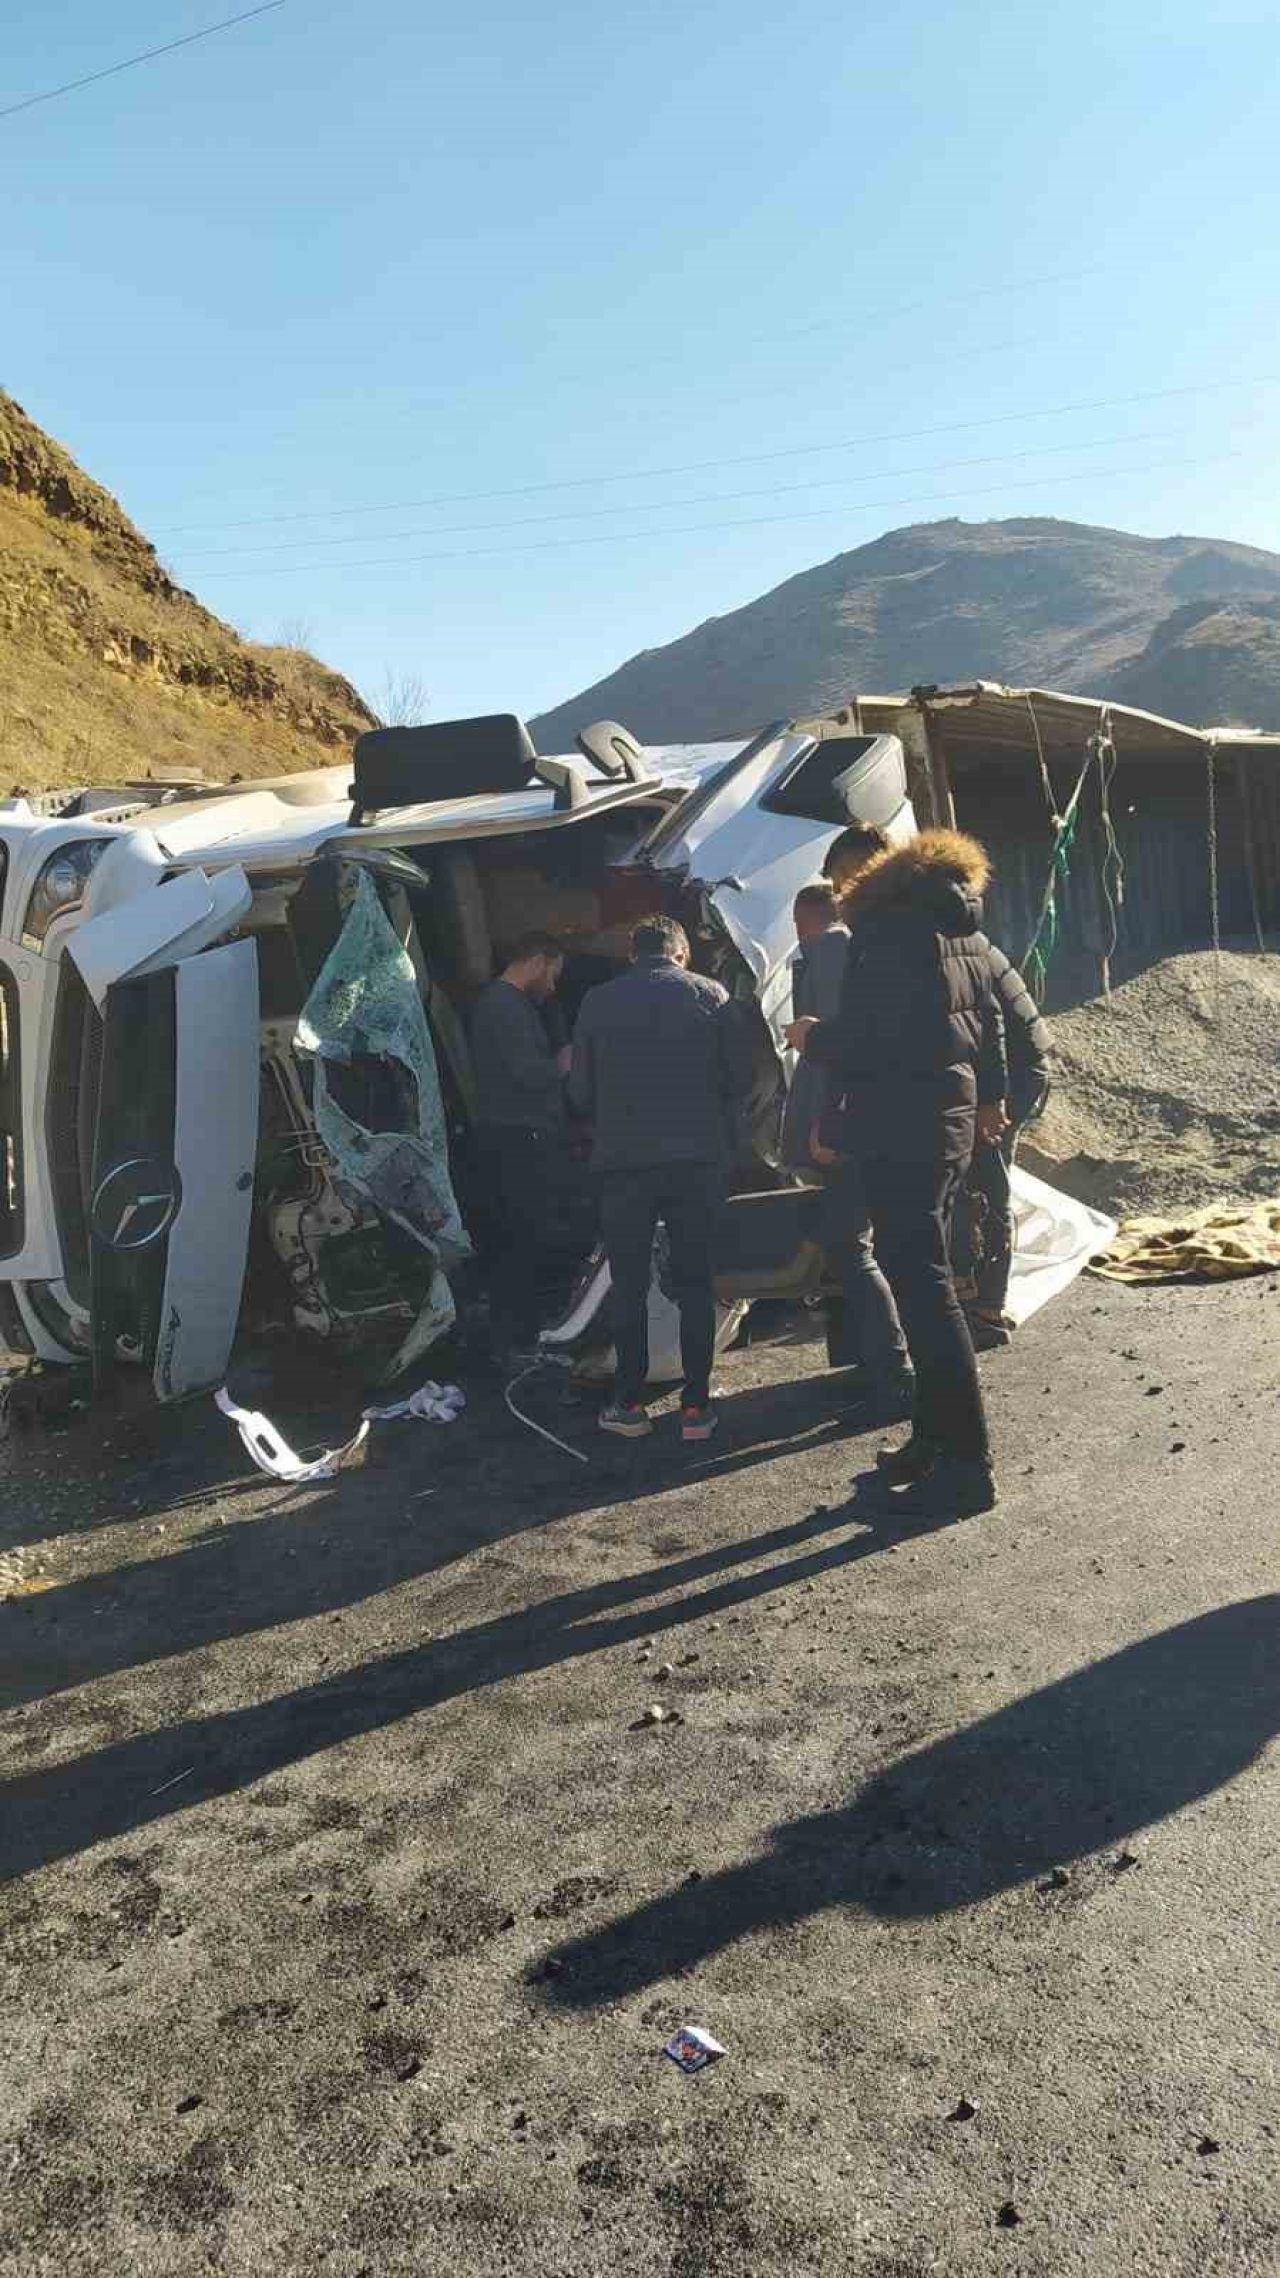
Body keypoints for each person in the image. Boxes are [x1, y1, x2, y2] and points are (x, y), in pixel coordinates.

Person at [786, 829, 1007, 1516]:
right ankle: (932, 1438)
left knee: (926, 1293)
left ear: (863, 872)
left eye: (840, 879)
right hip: (944, 1120)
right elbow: (989, 1018)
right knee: (925, 1279)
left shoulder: (888, 928)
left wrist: (812, 1038)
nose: (839, 893)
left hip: (901, 1126)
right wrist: (992, 1098)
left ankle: (967, 1463)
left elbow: (874, 1039)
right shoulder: (956, 920)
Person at [569, 914, 753, 1444]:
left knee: (629, 1284)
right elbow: (741, 1079)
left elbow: (579, 1092)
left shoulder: (597, 1002)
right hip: (697, 1162)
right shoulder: (712, 995)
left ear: (633, 954)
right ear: (681, 953)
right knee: (695, 1283)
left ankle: (628, 1403)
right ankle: (696, 1408)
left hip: (623, 1165)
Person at [782, 877, 911, 1409]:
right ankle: (865, 1361)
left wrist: (825, 1124)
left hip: (842, 1128)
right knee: (853, 1245)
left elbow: (841, 1048)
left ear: (804, 918)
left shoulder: (832, 951)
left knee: (852, 1247)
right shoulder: (850, 951)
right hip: (859, 1123)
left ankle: (892, 1369)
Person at [469, 931, 574, 1363]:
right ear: (536, 961)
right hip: (516, 1138)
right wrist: (562, 1065)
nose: (552, 986)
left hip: (512, 1135)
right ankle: (520, 1340)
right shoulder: (504, 1007)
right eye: (552, 974)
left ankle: (521, 1337)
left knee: (520, 1239)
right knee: (521, 1240)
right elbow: (526, 1073)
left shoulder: (506, 1005)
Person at [953, 945, 1051, 1346]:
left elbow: (989, 1027)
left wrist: (991, 1100)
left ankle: (986, 1308)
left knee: (985, 1187)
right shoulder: (966, 942)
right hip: (1017, 1069)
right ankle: (980, 1299)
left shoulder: (958, 950)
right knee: (984, 1184)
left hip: (1010, 1075)